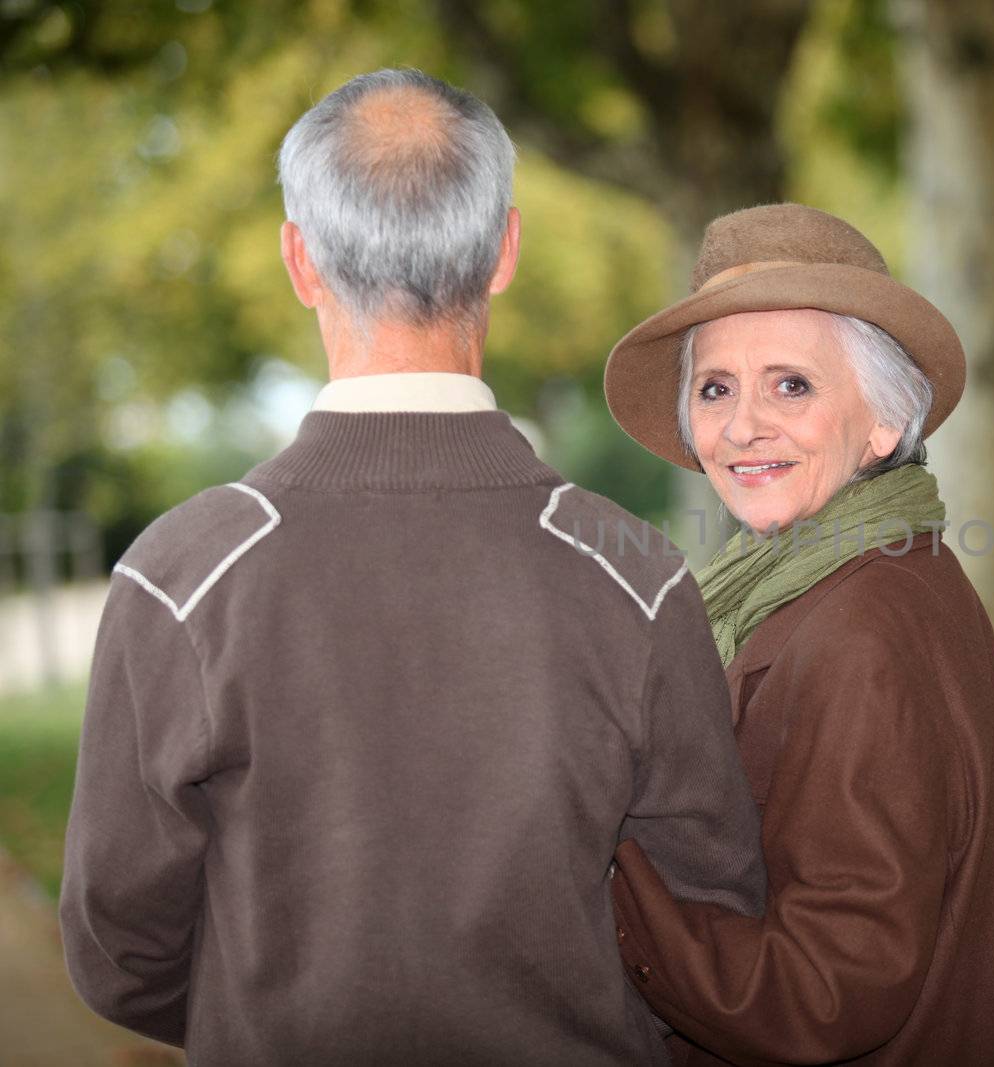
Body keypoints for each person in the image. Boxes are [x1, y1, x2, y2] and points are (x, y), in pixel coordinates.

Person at [58, 68, 763, 1066]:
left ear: (299, 262)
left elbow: (119, 949)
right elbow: (713, 911)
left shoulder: (179, 578)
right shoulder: (635, 575)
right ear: (505, 252)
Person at [603, 203, 994, 1065]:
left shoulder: (862, 626)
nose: (743, 426)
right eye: (716, 387)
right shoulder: (854, 578)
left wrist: (603, 860)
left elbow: (825, 991)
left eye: (792, 384)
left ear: (884, 421)